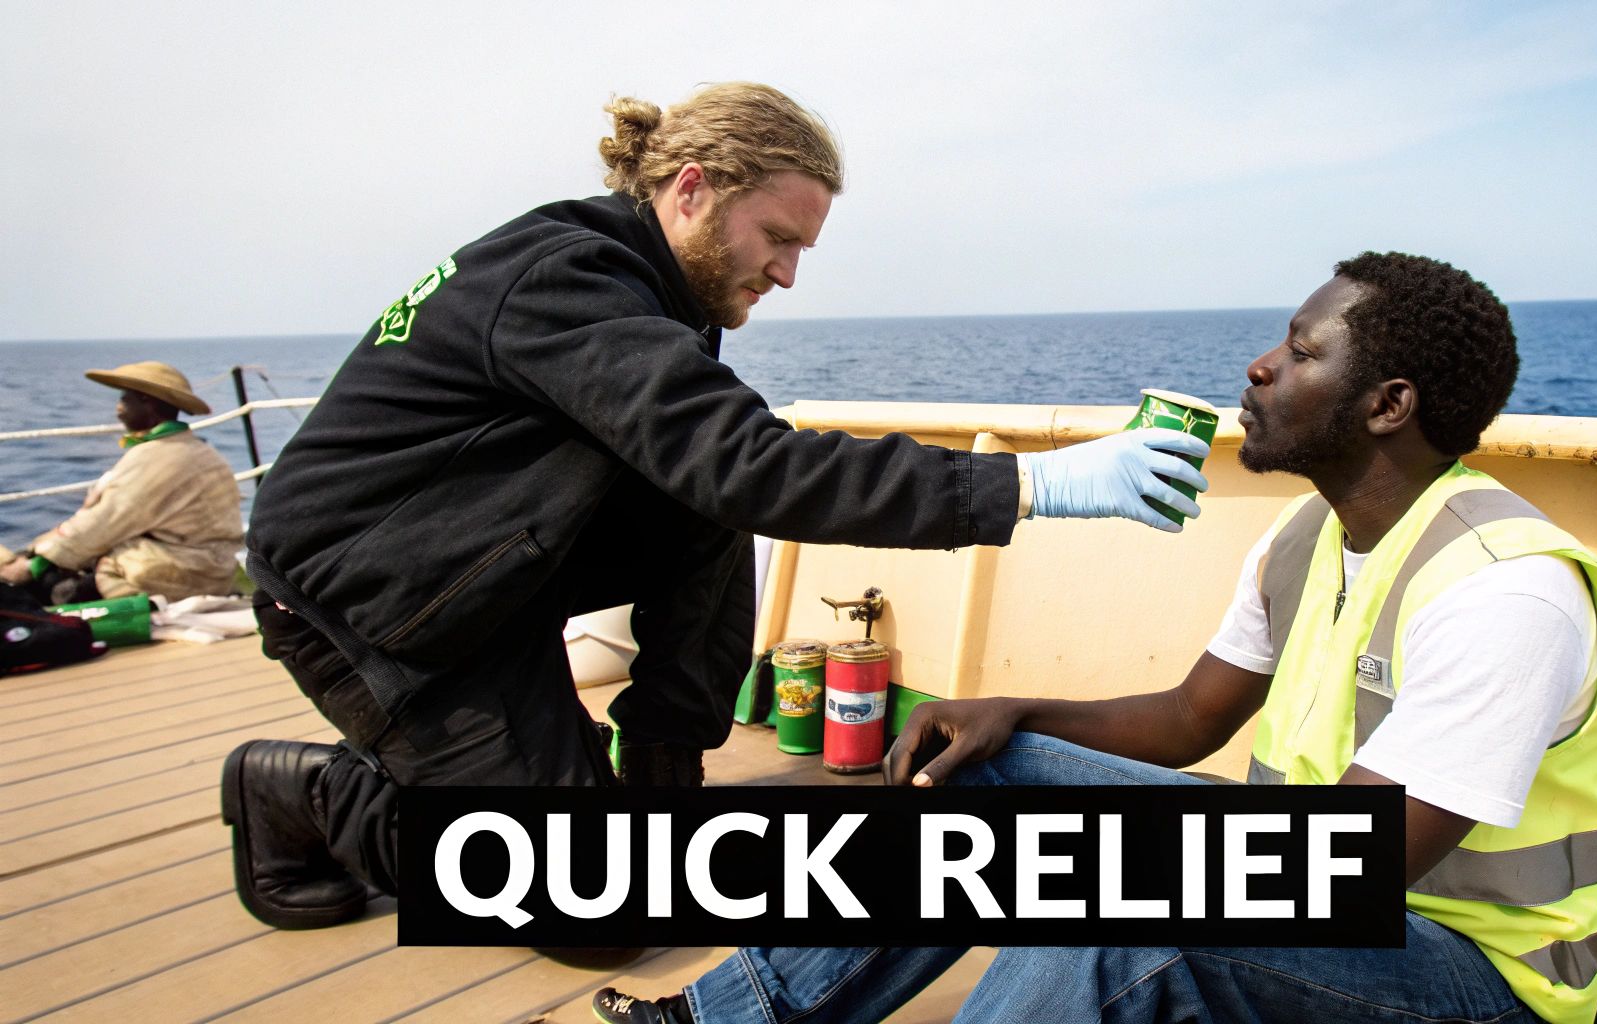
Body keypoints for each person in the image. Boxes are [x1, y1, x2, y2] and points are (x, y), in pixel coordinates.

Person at [222, 82, 1211, 934]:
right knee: (589, 908)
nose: (786, 272)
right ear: (691, 188)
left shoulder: (655, 291)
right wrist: (1037, 481)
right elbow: (751, 463)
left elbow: (714, 472)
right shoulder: (568, 279)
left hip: (478, 571)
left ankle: (656, 790)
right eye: (778, 238)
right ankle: (299, 791)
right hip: (370, 608)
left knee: (698, 498)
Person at [594, 253, 1597, 1024]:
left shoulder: (1505, 593)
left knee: (1139, 903)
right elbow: (1190, 718)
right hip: (1310, 900)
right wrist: (1013, 713)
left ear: (1386, 404)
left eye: (1301, 352)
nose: (1259, 366)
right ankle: (729, 1017)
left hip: (1469, 982)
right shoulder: (1308, 536)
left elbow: (1343, 871)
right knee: (983, 774)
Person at [0, 361, 242, 606]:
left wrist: (36, 563)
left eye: (125, 399)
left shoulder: (157, 456)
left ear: (147, 401)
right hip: (212, 567)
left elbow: (105, 521)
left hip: (182, 572)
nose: (118, 408)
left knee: (54, 589)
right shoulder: (196, 450)